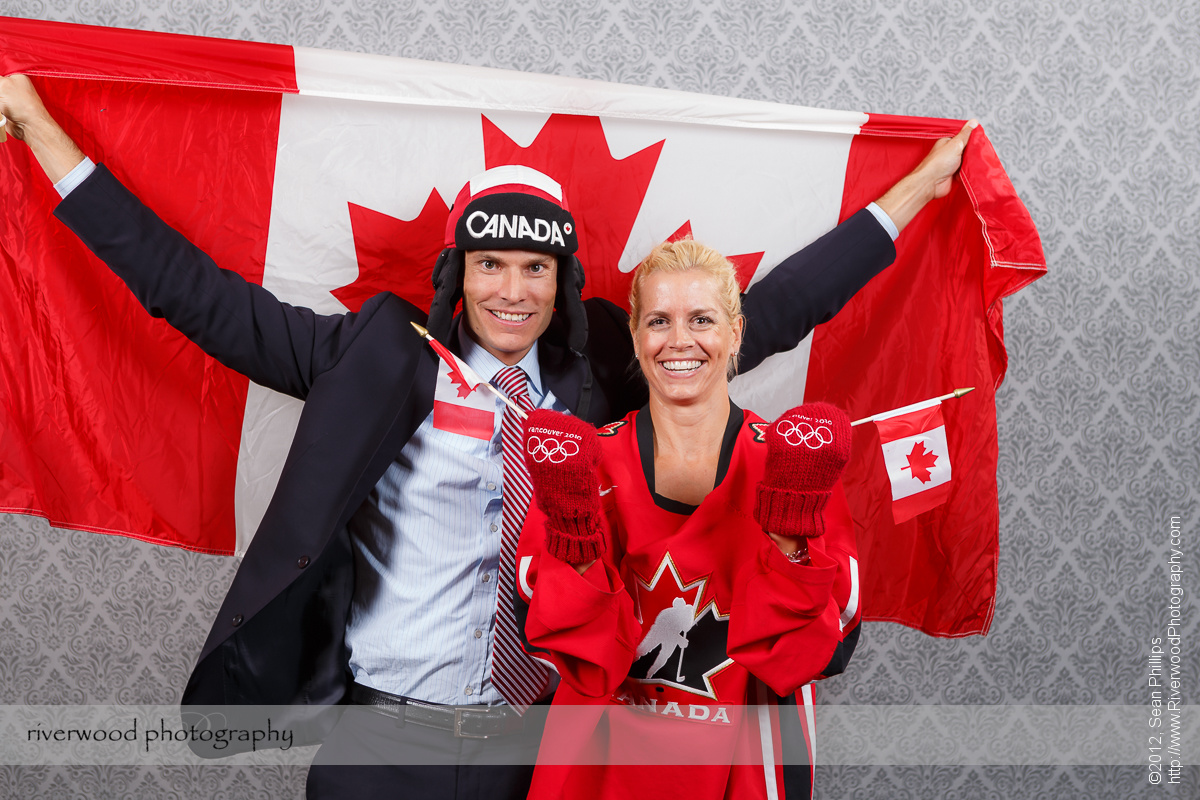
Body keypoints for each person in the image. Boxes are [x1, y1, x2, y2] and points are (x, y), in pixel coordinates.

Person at [0, 71, 973, 799]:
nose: (513, 288)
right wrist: (42, 131)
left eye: (536, 268)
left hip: (538, 745)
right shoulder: (373, 354)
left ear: (563, 282)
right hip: (382, 740)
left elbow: (767, 314)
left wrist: (917, 193)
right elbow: (193, 295)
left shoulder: (601, 374)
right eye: (492, 262)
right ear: (458, 272)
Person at [515, 238, 858, 799]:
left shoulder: (794, 463)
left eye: (701, 318)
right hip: (600, 772)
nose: (679, 340)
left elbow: (817, 652)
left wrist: (788, 534)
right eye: (658, 320)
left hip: (745, 765)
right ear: (635, 336)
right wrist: (575, 536)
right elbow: (576, 659)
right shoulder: (581, 466)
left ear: (736, 332)